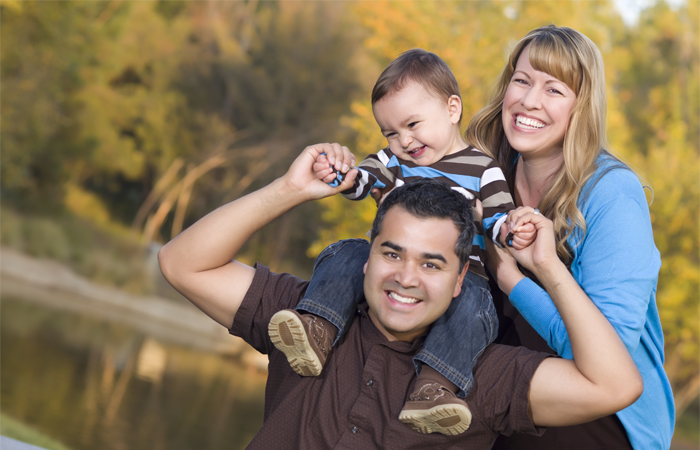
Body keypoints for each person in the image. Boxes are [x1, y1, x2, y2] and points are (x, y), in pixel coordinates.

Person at [157, 144, 643, 449]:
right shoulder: (306, 321)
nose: (406, 277)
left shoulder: (484, 376)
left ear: (460, 283)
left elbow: (614, 386)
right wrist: (289, 189)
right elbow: (181, 263)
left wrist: (547, 268)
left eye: (432, 264)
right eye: (392, 253)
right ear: (367, 257)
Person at [266, 49, 535, 435]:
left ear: (452, 109)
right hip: (391, 267)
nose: (404, 141)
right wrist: (339, 173)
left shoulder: (483, 169)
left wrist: (510, 229)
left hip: (463, 276)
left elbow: (498, 224)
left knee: (476, 307)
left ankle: (434, 388)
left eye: (412, 124)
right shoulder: (393, 163)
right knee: (348, 252)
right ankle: (317, 327)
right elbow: (361, 182)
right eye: (390, 132)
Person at [462, 25, 675, 449]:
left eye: (554, 90)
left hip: (599, 411)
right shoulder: (484, 176)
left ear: (581, 108)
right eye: (521, 81)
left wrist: (516, 280)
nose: (529, 100)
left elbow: (602, 358)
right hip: (498, 381)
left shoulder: (611, 195)